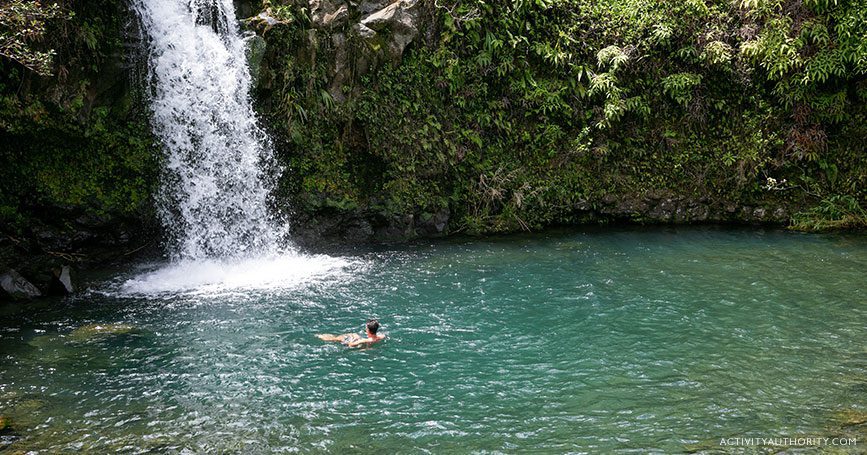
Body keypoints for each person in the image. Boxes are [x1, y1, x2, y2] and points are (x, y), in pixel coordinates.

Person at [316, 319, 385, 348]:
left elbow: (350, 345)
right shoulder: (381, 336)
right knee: (355, 334)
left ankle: (322, 337)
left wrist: (353, 339)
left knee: (341, 338)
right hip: (367, 342)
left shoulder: (365, 340)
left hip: (354, 343)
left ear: (368, 330)